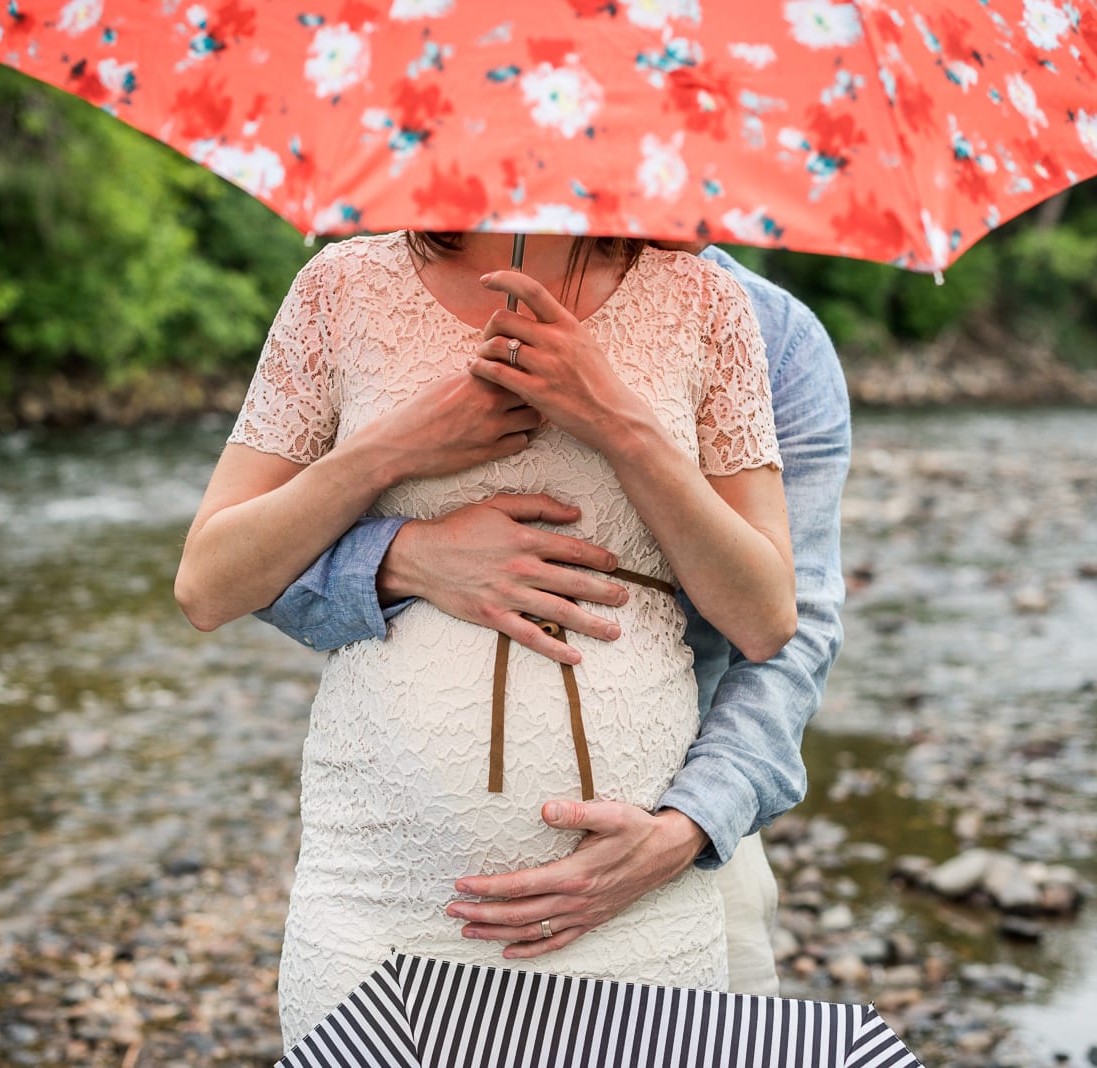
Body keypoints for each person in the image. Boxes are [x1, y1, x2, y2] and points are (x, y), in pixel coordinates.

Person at [175, 231, 799, 1044]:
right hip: (381, 900)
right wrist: (393, 449)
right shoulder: (340, 287)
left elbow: (767, 618)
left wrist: (619, 423)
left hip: (632, 913)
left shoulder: (709, 302)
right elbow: (208, 585)